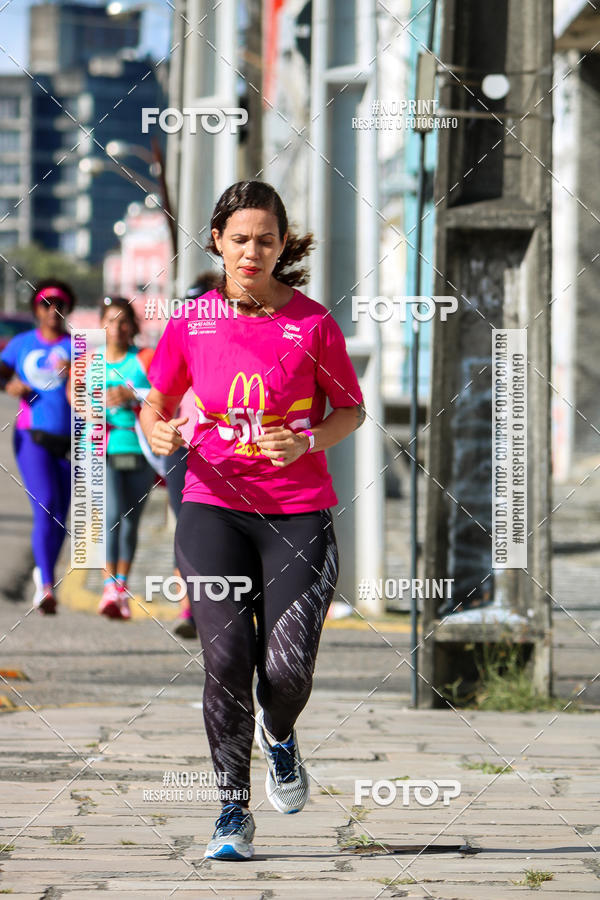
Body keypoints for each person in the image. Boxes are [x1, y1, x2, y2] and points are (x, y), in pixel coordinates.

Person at [140, 180, 365, 861]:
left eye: (265, 239)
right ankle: (232, 814)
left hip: (297, 514)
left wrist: (305, 441)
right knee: (227, 659)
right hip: (212, 505)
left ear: (281, 245)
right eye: (239, 238)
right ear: (217, 240)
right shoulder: (194, 320)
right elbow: (156, 401)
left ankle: (282, 734)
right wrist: (160, 431)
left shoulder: (312, 323)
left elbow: (349, 410)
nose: (251, 250)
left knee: (288, 672)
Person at [0, 280, 75, 614]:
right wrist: (9, 383)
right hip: (32, 437)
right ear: (36, 309)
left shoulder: (77, 348)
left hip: (69, 441)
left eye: (59, 304)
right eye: (46, 304)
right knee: (44, 505)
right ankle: (45, 584)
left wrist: (76, 372)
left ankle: (46, 575)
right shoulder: (22, 344)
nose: (52, 311)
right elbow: (1, 371)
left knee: (60, 516)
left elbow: (99, 384)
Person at [166, 271, 221, 639]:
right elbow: (156, 396)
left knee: (224, 531)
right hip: (182, 449)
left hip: (224, 452)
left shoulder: (233, 344)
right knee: (188, 527)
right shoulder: (179, 340)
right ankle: (190, 609)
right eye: (190, 305)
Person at [98, 296, 156, 620]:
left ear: (132, 326)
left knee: (131, 521)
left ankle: (122, 586)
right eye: (110, 320)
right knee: (111, 516)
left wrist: (133, 393)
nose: (117, 328)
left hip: (141, 451)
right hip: (107, 450)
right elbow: (76, 400)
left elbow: (166, 393)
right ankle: (108, 586)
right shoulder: (93, 362)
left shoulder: (145, 359)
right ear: (101, 324)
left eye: (123, 321)